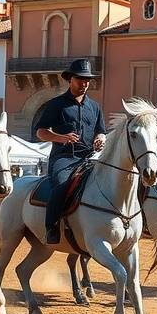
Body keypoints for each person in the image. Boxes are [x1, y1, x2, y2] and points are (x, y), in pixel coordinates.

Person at [34, 58, 107, 245]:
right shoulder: (56, 104)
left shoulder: (95, 107)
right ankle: (51, 226)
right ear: (70, 79)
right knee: (61, 184)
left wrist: (100, 138)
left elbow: (101, 131)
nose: (84, 83)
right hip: (64, 158)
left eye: (87, 80)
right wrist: (60, 137)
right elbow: (40, 132)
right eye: (80, 79)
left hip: (89, 157)